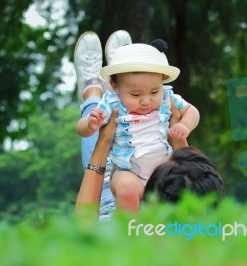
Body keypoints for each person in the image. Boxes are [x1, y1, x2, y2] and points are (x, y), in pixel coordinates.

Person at [76, 39, 200, 212]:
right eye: (135, 94)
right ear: (115, 87)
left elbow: (192, 111)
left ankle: (98, 82)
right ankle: (131, 229)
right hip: (127, 171)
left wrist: (185, 126)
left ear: (162, 82)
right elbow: (80, 128)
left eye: (154, 91)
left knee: (178, 185)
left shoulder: (167, 97)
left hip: (163, 170)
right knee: (128, 187)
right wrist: (90, 123)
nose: (146, 101)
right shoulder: (112, 103)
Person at [75, 105, 225, 218]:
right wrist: (179, 139)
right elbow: (192, 186)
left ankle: (92, 88)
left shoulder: (120, 240)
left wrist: (104, 142)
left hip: (118, 187)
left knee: (98, 139)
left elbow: (84, 223)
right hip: (130, 173)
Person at [74, 30, 132, 219]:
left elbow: (80, 128)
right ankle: (124, 84)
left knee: (103, 173)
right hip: (146, 182)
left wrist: (90, 125)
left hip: (106, 201)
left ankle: (91, 92)